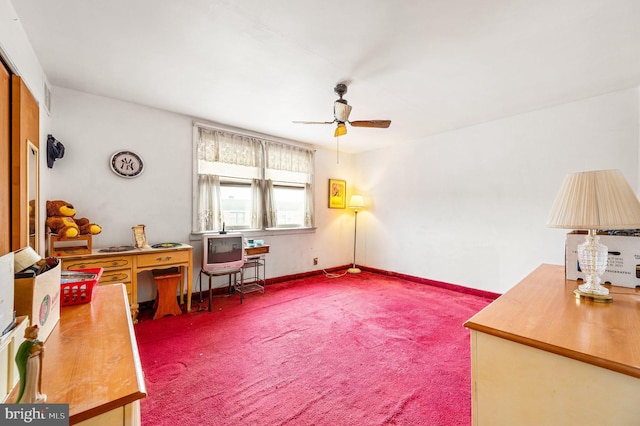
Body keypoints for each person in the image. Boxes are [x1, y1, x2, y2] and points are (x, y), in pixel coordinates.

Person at [15, 324, 46, 403]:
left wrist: (42, 350)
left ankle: (35, 396)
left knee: (35, 380)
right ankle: (28, 399)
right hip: (30, 365)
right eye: (34, 333)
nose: (36, 335)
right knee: (30, 380)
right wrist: (32, 354)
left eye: (36, 333)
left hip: (36, 363)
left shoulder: (37, 342)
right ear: (29, 334)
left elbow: (41, 349)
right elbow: (19, 358)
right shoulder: (24, 345)